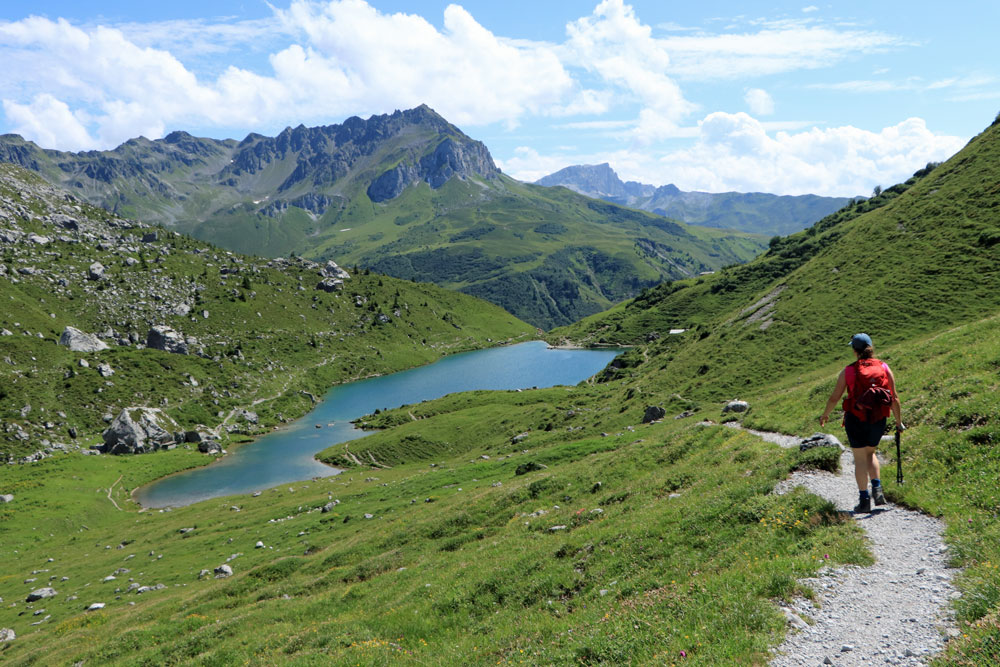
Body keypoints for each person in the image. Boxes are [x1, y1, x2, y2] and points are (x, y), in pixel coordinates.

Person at [819, 333, 905, 513]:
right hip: (878, 417)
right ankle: (877, 488)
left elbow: (835, 397)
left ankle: (864, 500)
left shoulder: (848, 371)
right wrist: (899, 422)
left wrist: (825, 415)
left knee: (859, 458)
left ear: (854, 350)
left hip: (855, 418)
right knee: (870, 453)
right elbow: (894, 397)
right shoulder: (883, 367)